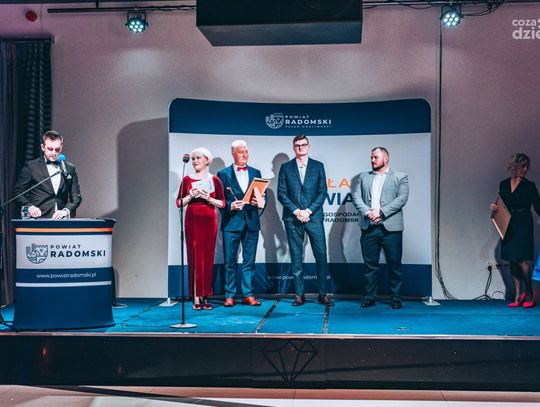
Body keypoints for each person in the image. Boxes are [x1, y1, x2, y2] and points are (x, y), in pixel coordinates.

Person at [277, 134, 333, 306]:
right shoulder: (285, 167)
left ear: (308, 146)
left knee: (321, 255)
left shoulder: (318, 166)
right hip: (292, 218)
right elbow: (281, 194)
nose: (300, 147)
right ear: (293, 148)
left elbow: (322, 192)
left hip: (313, 217)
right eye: (297, 145)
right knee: (296, 256)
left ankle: (323, 294)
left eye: (303, 145)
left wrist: (308, 211)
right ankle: (299, 294)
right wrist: (296, 211)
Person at [352, 147, 409, 309]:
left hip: (391, 229)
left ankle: (396, 298)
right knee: (370, 266)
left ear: (385, 158)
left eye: (375, 157)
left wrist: (381, 212)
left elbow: (402, 198)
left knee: (395, 265)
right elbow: (356, 196)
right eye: (371, 157)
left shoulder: (400, 177)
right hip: (369, 227)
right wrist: (367, 212)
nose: (372, 160)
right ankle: (369, 297)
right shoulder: (363, 177)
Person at [176, 147, 225, 310]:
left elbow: (222, 203)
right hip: (193, 219)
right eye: (193, 159)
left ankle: (205, 295)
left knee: (207, 257)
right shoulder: (187, 179)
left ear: (207, 160)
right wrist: (190, 195)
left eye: (198, 158)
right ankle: (196, 296)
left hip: (209, 219)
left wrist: (208, 198)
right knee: (195, 256)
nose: (195, 161)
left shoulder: (215, 180)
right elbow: (178, 203)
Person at [217, 140, 264, 307]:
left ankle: (248, 294)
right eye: (240, 152)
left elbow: (262, 196)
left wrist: (260, 201)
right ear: (233, 154)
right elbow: (219, 200)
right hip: (231, 223)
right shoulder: (223, 174)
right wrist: (230, 205)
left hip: (251, 222)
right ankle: (229, 295)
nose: (244, 155)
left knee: (249, 261)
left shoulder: (256, 172)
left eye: (246, 151)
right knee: (230, 261)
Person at [490, 153, 540, 308]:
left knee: (521, 259)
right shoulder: (504, 184)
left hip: (523, 223)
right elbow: (502, 204)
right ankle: (518, 295)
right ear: (515, 166)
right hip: (509, 224)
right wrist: (495, 208)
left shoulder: (529, 185)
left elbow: (538, 206)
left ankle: (529, 293)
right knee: (512, 259)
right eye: (522, 166)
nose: (525, 169)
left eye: (526, 166)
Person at [13, 130, 82, 219]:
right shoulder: (31, 166)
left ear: (61, 148)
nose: (54, 153)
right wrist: (30, 207)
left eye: (57, 149)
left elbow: (76, 197)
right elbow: (18, 193)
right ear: (43, 147)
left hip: (62, 220)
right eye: (50, 149)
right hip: (38, 219)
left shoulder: (69, 168)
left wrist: (66, 210)